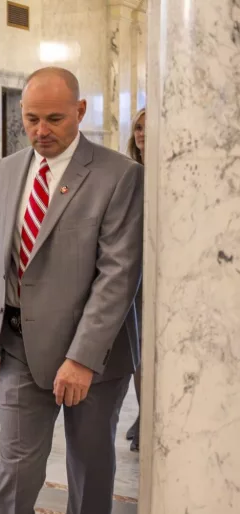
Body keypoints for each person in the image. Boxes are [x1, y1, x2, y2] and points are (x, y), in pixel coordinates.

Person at [0, 67, 143, 514]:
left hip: (92, 361)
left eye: (54, 118)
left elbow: (118, 275)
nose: (40, 130)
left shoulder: (119, 174)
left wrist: (81, 359)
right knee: (12, 479)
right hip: (18, 352)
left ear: (80, 111)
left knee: (89, 477)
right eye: (31, 119)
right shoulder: (8, 169)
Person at [124, 107, 145, 453]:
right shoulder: (129, 172)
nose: (142, 133)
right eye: (138, 127)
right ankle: (144, 413)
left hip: (159, 273)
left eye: (148, 128)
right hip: (131, 271)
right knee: (137, 352)